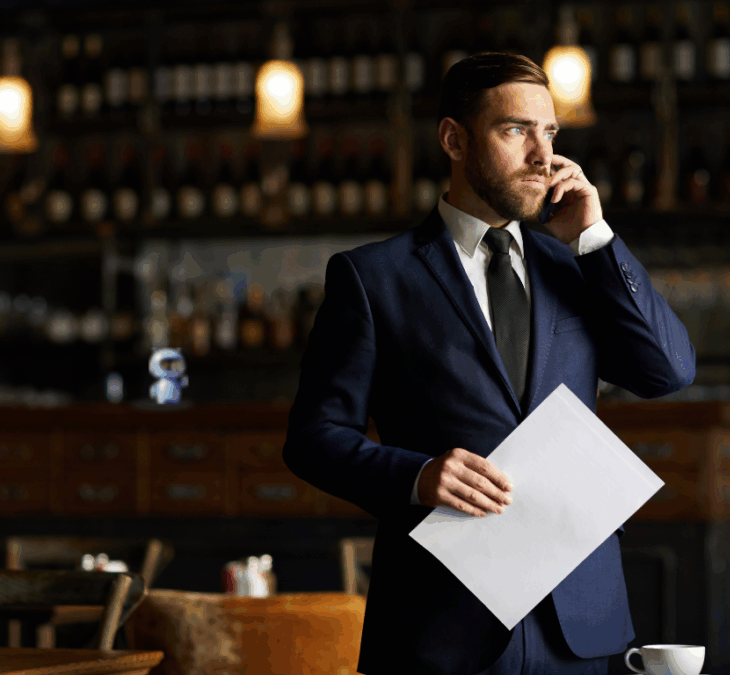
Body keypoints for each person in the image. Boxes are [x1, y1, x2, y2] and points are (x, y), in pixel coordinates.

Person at [282, 52, 695, 675]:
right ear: (454, 139)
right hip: (441, 626)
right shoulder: (373, 278)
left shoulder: (578, 264)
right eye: (515, 130)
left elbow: (668, 371)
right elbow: (312, 438)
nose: (543, 155)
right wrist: (418, 476)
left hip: (575, 620)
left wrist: (597, 238)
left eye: (550, 132)